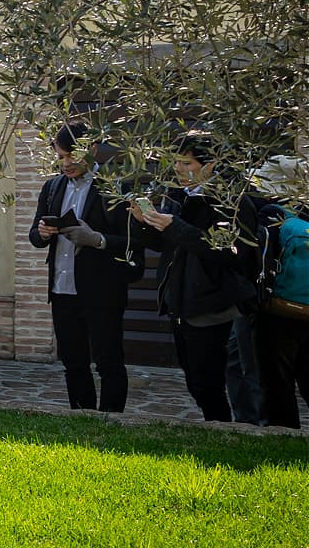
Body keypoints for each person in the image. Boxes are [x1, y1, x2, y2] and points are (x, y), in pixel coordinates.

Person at [129, 132, 258, 422]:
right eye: (176, 162)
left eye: (186, 163)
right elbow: (166, 244)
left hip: (214, 305)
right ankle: (217, 427)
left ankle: (226, 429)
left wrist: (174, 226)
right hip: (182, 302)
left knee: (209, 381)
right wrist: (144, 223)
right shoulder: (179, 195)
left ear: (210, 165)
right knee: (195, 381)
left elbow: (229, 251)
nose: (177, 169)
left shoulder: (231, 201)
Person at [28, 125, 140, 412]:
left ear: (92, 149)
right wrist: (42, 233)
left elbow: (135, 242)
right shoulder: (52, 187)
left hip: (103, 291)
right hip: (62, 290)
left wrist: (97, 240)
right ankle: (81, 418)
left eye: (71, 156)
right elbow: (34, 236)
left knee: (108, 362)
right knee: (73, 362)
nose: (66, 164)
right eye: (60, 157)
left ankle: (112, 421)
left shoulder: (116, 186)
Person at [249, 155, 309, 428]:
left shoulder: (271, 213)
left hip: (279, 309)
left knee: (276, 379)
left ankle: (283, 433)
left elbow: (260, 258)